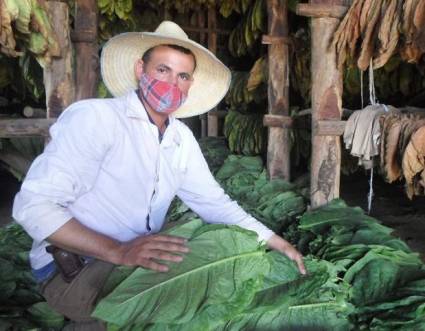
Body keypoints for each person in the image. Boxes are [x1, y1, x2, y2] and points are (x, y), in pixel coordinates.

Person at [13, 21, 305, 329]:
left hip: (131, 254)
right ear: (141, 69)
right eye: (162, 70)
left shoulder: (180, 138)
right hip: (72, 268)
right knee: (185, 307)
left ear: (190, 84)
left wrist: (278, 243)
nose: (172, 84)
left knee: (216, 266)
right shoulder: (97, 118)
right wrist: (118, 251)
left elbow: (215, 204)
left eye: (182, 76)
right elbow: (33, 207)